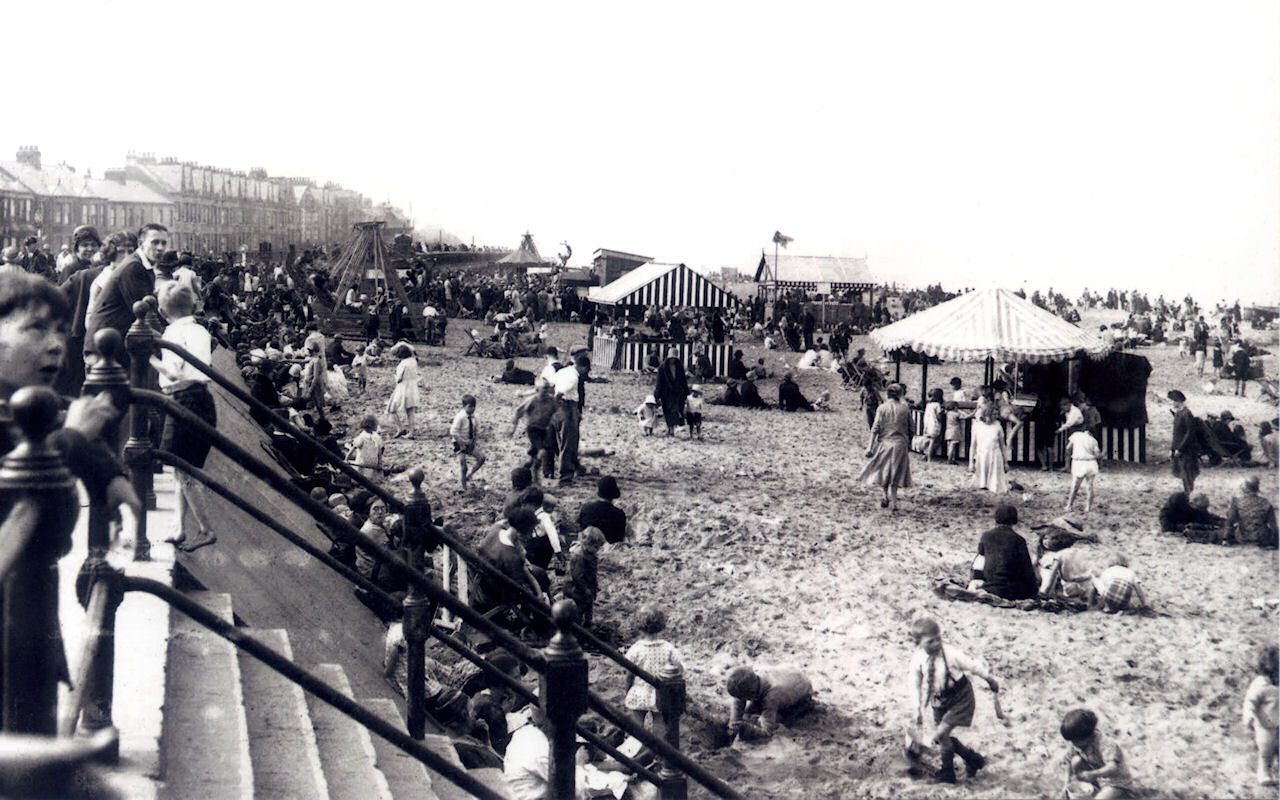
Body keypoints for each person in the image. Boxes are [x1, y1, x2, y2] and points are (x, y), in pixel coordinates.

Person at [149, 283, 217, 553]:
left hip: (184, 399)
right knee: (181, 469)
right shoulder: (199, 329)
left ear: (164, 311)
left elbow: (175, 371)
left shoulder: (172, 332)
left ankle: (205, 529)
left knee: (185, 472)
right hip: (202, 400)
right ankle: (178, 527)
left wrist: (150, 360)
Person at [907, 615, 997, 783]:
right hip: (939, 701)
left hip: (961, 698)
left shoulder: (951, 654)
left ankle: (947, 773)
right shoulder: (917, 660)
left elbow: (972, 665)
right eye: (930, 642)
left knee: (940, 733)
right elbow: (915, 686)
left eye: (938, 639)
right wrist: (917, 710)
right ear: (918, 643)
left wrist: (989, 679)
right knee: (944, 738)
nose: (936, 644)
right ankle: (972, 759)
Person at [86, 223, 168, 351]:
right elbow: (142, 311)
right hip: (104, 346)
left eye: (164, 243)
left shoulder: (142, 266)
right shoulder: (133, 267)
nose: (160, 248)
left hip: (113, 341)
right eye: (155, 242)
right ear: (141, 243)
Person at [623, 605, 683, 732]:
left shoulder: (636, 649)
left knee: (636, 727)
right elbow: (680, 668)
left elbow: (629, 674)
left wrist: (627, 690)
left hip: (639, 692)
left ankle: (638, 746)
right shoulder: (668, 648)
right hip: (659, 693)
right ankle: (657, 748)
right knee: (659, 724)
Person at [725, 664, 813, 743]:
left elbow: (767, 731)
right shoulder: (755, 676)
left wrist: (745, 728)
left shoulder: (771, 697)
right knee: (748, 712)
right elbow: (738, 702)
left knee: (778, 718)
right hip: (790, 672)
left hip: (803, 693)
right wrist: (733, 723)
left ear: (752, 694)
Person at [1059, 708, 1134, 799]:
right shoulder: (1077, 744)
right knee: (1075, 760)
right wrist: (1066, 783)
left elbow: (1112, 767)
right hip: (1097, 780)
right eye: (1072, 741)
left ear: (1089, 736)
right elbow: (1069, 761)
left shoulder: (1105, 744)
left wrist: (1094, 774)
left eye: (1077, 741)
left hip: (1116, 783)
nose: (1074, 744)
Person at [860, 383, 913, 510]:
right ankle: (894, 501)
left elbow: (875, 428)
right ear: (900, 394)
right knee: (895, 472)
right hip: (900, 444)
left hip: (885, 443)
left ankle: (885, 496)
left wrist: (870, 447)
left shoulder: (882, 408)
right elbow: (912, 428)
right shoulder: (905, 409)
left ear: (887, 394)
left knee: (884, 470)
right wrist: (909, 442)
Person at [970, 505, 1038, 600]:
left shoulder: (986, 536)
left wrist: (976, 579)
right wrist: (1033, 591)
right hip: (1012, 590)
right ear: (1014, 520)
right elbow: (1026, 568)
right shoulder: (1018, 540)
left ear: (996, 519)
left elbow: (980, 560)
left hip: (990, 587)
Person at [1242, 645, 1279, 787]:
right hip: (1265, 725)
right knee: (1266, 750)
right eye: (1273, 673)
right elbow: (1250, 702)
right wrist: (1249, 716)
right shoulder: (1260, 685)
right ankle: (1264, 772)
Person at [551, 354, 589, 484]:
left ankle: (571, 467)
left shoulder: (562, 371)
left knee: (561, 440)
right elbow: (560, 392)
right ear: (583, 368)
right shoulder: (573, 377)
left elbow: (551, 384)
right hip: (567, 407)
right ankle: (565, 476)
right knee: (569, 442)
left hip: (558, 409)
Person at [512, 382, 559, 483]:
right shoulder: (532, 400)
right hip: (533, 429)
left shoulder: (552, 401)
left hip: (544, 429)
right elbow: (518, 411)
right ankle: (536, 476)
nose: (545, 392)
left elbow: (558, 412)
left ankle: (528, 468)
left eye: (547, 390)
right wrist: (513, 428)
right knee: (541, 451)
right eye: (543, 390)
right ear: (537, 390)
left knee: (538, 453)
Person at [561, 527, 605, 626]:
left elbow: (592, 572)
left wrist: (594, 586)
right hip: (576, 588)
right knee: (578, 608)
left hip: (588, 585)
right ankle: (577, 628)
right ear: (587, 543)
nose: (597, 550)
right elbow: (577, 576)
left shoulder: (591, 554)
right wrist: (585, 589)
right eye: (596, 547)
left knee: (589, 605)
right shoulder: (579, 556)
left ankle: (588, 623)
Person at [1223, 476, 1278, 548]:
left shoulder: (1237, 502)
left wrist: (1225, 539)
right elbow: (1273, 525)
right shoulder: (1266, 503)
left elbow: (1230, 522)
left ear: (1244, 488)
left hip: (1243, 538)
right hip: (1263, 538)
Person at [968, 404, 1008, 494]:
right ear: (987, 414)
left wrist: (1006, 463)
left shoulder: (998, 426)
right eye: (994, 414)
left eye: (997, 414)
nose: (996, 416)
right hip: (981, 456)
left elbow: (1002, 446)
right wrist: (971, 462)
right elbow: (973, 445)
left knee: (996, 485)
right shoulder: (977, 426)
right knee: (981, 484)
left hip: (995, 456)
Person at [450, 394, 486, 491]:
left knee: (481, 458)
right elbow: (453, 432)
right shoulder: (460, 417)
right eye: (470, 406)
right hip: (459, 443)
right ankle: (464, 486)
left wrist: (474, 442)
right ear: (464, 406)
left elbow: (477, 431)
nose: (472, 408)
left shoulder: (475, 417)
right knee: (463, 465)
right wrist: (461, 443)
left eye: (474, 406)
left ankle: (470, 475)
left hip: (469, 442)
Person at [578, 476, 629, 544]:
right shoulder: (619, 514)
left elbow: (580, 529)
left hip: (587, 545)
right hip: (608, 549)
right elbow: (620, 539)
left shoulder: (586, 508)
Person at [1167, 390, 1201, 493]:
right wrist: (1172, 449)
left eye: (1173, 401)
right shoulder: (1179, 413)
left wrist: (1180, 448)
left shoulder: (1187, 414)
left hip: (1187, 450)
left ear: (1178, 401)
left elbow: (1189, 433)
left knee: (1188, 474)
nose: (1172, 403)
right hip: (1180, 449)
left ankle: (1190, 494)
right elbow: (1176, 434)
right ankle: (1188, 494)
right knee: (1183, 474)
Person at [1065, 425, 1102, 512]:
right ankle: (1088, 507)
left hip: (1079, 462)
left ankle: (1069, 505)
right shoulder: (1094, 440)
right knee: (1089, 486)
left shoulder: (1076, 435)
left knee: (1075, 486)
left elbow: (1068, 448)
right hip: (1091, 463)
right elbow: (1097, 455)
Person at [386, 342, 419, 438]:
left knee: (391, 409)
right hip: (413, 387)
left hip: (403, 387)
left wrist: (394, 375)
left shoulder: (402, 364)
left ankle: (400, 428)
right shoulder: (413, 361)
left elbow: (398, 379)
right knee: (410, 412)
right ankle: (411, 433)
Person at [653, 351, 689, 436]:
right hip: (666, 393)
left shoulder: (679, 367)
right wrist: (657, 395)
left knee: (676, 411)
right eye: (671, 358)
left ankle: (672, 429)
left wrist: (686, 391)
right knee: (667, 411)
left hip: (677, 393)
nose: (672, 360)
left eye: (674, 358)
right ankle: (669, 428)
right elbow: (659, 382)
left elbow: (683, 381)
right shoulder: (662, 368)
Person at [345, 414, 383, 481]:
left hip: (362, 463)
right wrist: (380, 463)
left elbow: (353, 448)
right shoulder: (377, 437)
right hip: (373, 462)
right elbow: (380, 452)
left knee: (361, 478)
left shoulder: (361, 437)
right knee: (371, 478)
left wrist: (346, 459)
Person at [922, 388, 944, 462]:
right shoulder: (937, 405)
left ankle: (925, 454)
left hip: (927, 425)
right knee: (933, 442)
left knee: (928, 441)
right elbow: (939, 416)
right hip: (934, 425)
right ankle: (929, 458)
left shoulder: (928, 405)